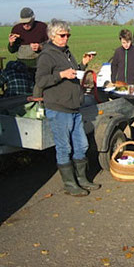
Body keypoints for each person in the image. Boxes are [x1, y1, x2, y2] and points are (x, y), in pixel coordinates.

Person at [35, 19, 99, 196]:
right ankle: (70, 184)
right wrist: (61, 74)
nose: (66, 38)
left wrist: (83, 65)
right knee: (64, 148)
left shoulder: (67, 53)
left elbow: (74, 73)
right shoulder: (47, 56)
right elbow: (40, 80)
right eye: (62, 35)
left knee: (82, 145)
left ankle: (82, 179)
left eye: (68, 35)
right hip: (58, 107)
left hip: (73, 106)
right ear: (52, 36)